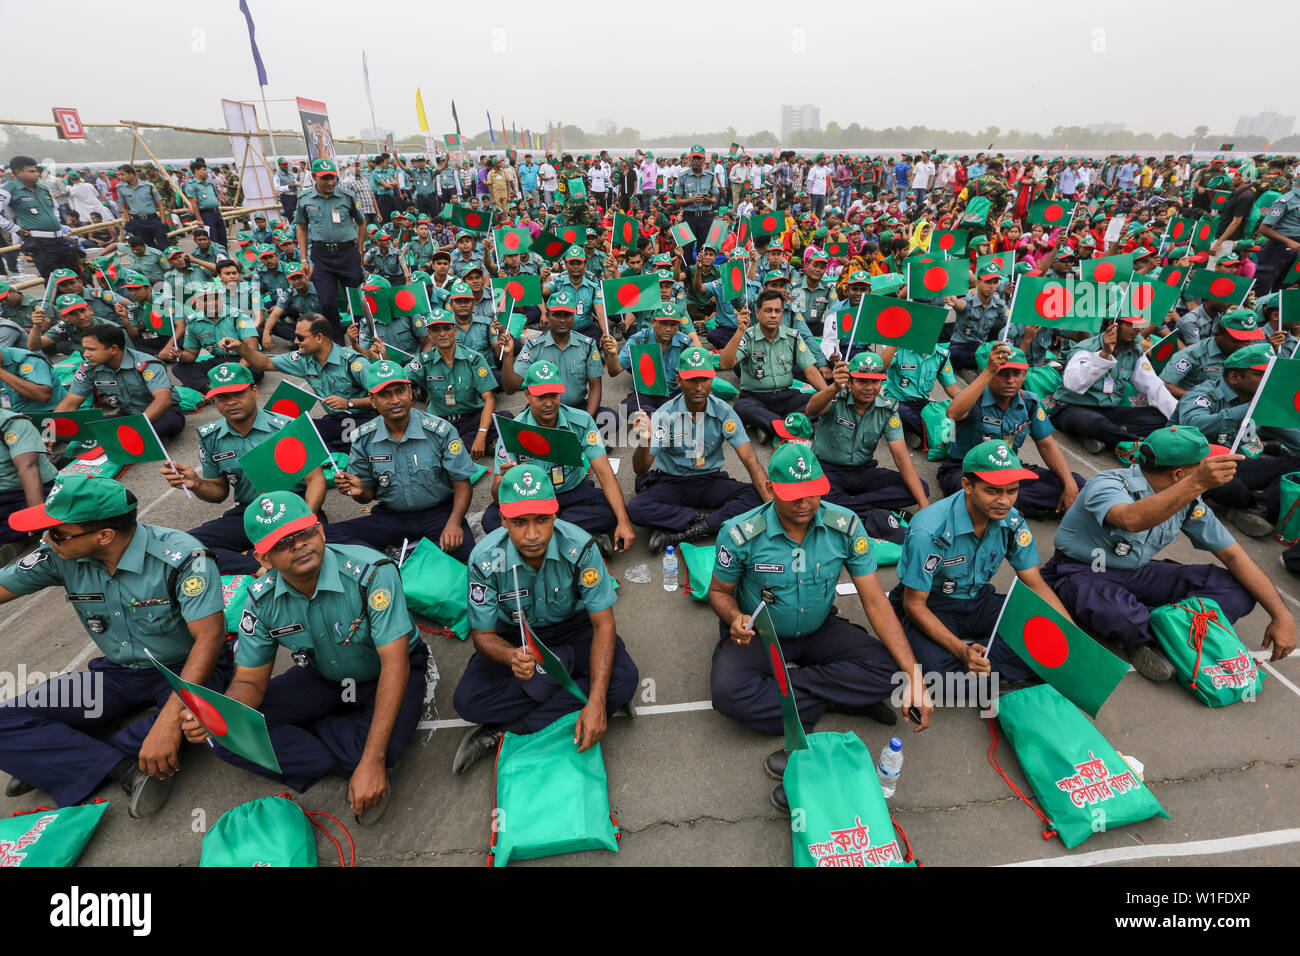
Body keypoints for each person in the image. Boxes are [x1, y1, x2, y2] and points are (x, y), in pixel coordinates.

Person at [707, 444, 933, 811]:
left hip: (818, 627)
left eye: (813, 492)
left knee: (893, 674)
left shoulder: (845, 526)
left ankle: (801, 699)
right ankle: (840, 694)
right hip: (759, 632)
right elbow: (719, 592)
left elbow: (875, 601)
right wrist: (734, 618)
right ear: (771, 488)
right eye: (794, 495)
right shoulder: (741, 533)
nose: (804, 503)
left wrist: (915, 675)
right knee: (728, 694)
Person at [183, 491, 430, 825]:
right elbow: (248, 681)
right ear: (264, 558)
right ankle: (344, 742)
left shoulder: (370, 572)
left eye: (305, 532)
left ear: (321, 532)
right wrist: (219, 714)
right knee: (227, 737)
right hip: (324, 677)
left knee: (376, 753)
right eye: (282, 542)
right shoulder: (261, 600)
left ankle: (340, 747)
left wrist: (372, 759)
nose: (298, 544)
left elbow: (395, 663)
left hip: (384, 672)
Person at [0, 476, 229, 816]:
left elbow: (209, 639)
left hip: (188, 668)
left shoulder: (182, 557)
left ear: (104, 535)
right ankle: (123, 768)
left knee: (192, 723)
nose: (46, 539)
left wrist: (167, 723)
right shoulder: (59, 554)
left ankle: (61, 758)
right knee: (5, 721)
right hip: (119, 674)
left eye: (58, 532)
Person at [1042, 425, 1295, 680]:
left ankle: (1159, 631)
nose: (1208, 472)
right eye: (1201, 467)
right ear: (1178, 474)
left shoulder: (1188, 501)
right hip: (1083, 571)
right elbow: (1130, 519)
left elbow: (1233, 555)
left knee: (1237, 591)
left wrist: (1282, 615)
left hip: (1136, 572)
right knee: (1117, 613)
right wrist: (1197, 483)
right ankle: (1167, 633)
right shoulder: (1108, 484)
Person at [450, 464, 639, 774]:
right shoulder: (484, 559)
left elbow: (603, 625)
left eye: (542, 520)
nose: (533, 535)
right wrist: (510, 655)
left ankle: (507, 730)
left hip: (573, 630)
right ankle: (576, 693)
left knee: (624, 680)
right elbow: (483, 636)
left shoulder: (581, 547)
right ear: (503, 520)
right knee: (468, 701)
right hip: (515, 636)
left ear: (555, 515)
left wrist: (597, 698)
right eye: (520, 522)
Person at [891, 439, 1072, 692]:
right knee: (938, 678)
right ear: (967, 485)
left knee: (1054, 638)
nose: (1005, 501)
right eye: (993, 491)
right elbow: (914, 605)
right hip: (934, 604)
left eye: (1012, 490)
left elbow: (1033, 582)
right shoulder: (930, 531)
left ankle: (982, 668)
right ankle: (990, 665)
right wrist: (962, 650)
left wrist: (1070, 633)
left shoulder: (1012, 521)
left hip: (977, 601)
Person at [161, 363, 327, 575]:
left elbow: (316, 479)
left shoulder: (287, 427)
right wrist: (197, 484)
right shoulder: (211, 437)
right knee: (185, 547)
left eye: (238, 393)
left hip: (295, 508)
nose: (231, 402)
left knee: (319, 551)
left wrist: (305, 521)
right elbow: (219, 492)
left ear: (254, 391)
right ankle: (256, 564)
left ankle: (265, 554)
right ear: (214, 400)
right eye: (222, 397)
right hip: (250, 512)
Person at [329, 360, 476, 563]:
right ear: (372, 400)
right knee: (329, 537)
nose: (395, 400)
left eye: (400, 391)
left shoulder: (440, 431)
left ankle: (400, 556)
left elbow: (462, 484)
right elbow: (367, 495)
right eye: (385, 395)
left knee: (469, 557)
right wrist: (360, 491)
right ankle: (389, 561)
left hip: (438, 514)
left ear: (410, 391)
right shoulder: (363, 438)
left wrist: (454, 523)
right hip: (392, 517)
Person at [484, 361, 634, 557]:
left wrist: (624, 522)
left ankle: (544, 536)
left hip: (571, 492)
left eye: (553, 395)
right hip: (531, 499)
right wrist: (504, 480)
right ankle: (581, 537)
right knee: (491, 521)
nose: (548, 403)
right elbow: (497, 497)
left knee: (614, 511)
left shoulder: (581, 421)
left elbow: (606, 475)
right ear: (528, 396)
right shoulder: (511, 431)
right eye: (540, 396)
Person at [628, 346, 768, 554]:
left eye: (704, 379)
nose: (699, 387)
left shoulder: (724, 411)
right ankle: (707, 519)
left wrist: (770, 504)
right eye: (692, 380)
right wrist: (645, 441)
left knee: (760, 496)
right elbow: (640, 469)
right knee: (636, 509)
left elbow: (750, 460)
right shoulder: (664, 415)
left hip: (710, 480)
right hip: (673, 482)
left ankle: (685, 531)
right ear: (679, 380)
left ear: (712, 379)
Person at [1170, 342, 1300, 537]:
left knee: (1296, 464)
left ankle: (1259, 509)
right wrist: (1244, 411)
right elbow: (1192, 423)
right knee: (1231, 487)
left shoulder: (1258, 401)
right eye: (1261, 375)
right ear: (1234, 377)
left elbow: (1291, 434)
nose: (1268, 380)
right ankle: (1243, 506)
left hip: (1232, 464)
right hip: (1192, 465)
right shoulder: (1205, 394)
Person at [943, 343, 1083, 518]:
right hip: (969, 470)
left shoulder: (1029, 403)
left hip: (1008, 469)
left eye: (1016, 374)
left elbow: (1046, 445)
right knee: (970, 494)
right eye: (1002, 373)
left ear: (1024, 375)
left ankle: (1011, 506)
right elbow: (953, 413)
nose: (1010, 380)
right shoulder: (974, 397)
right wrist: (988, 372)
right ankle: (1014, 508)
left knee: (1078, 485)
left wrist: (1069, 485)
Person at [806, 352, 930, 542]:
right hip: (827, 470)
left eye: (875, 381)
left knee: (921, 489)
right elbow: (811, 409)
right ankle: (874, 510)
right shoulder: (835, 397)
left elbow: (902, 459)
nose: (869, 388)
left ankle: (849, 508)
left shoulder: (887, 409)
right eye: (863, 381)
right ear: (850, 381)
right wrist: (833, 388)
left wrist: (924, 506)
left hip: (863, 472)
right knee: (810, 495)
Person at [222, 315, 373, 451]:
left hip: (364, 419)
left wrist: (349, 403)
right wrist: (241, 348)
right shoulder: (303, 359)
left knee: (333, 447)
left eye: (300, 338)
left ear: (319, 337)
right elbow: (266, 363)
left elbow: (382, 399)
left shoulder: (353, 363)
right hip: (337, 421)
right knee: (294, 435)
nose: (295, 342)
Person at [1049, 316, 1174, 452]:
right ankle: (1138, 443)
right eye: (1131, 324)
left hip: (1108, 412)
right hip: (1073, 408)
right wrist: (1104, 355)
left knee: (1160, 416)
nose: (1138, 329)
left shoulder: (1135, 352)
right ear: (1112, 324)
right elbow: (1073, 384)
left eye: (1139, 324)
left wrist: (1180, 418)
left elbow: (1154, 387)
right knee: (1092, 422)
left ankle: (1109, 437)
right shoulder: (1085, 348)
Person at [720, 290, 828, 438]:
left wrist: (828, 395)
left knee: (822, 405)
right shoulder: (747, 336)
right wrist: (739, 331)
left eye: (777, 311)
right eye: (768, 310)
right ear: (757, 313)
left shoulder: (792, 336)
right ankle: (791, 424)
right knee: (741, 407)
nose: (773, 315)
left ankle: (768, 425)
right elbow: (725, 364)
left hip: (786, 396)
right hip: (755, 397)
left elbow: (810, 370)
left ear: (782, 313)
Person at [53, 322, 185, 439]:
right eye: (85, 348)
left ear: (114, 349)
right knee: (87, 429)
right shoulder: (89, 368)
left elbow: (163, 400)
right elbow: (70, 403)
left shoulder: (146, 364)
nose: (85, 354)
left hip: (162, 414)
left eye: (91, 349)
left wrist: (138, 427)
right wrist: (51, 432)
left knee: (146, 431)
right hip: (127, 415)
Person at [405, 307, 499, 450]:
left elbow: (489, 398)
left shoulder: (473, 359)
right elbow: (398, 378)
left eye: (446, 328)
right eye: (436, 330)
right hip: (439, 422)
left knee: (504, 417)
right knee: (414, 429)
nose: (442, 334)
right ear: (429, 333)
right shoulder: (424, 361)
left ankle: (456, 445)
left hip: (471, 418)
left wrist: (481, 435)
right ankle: (467, 444)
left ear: (455, 330)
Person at [294, 158, 367, 341]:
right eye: (325, 178)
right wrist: (303, 259)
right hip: (322, 256)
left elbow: (362, 222)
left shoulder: (347, 196)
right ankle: (337, 343)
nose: (330, 182)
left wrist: (359, 250)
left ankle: (363, 338)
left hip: (347, 254)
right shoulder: (305, 199)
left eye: (333, 178)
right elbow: (301, 227)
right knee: (327, 302)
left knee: (357, 300)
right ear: (314, 177)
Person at [0, 156, 81, 278]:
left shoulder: (43, 188)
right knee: (54, 281)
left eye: (37, 170)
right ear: (18, 172)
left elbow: (55, 208)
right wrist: (15, 229)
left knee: (74, 276)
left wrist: (57, 224)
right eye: (31, 171)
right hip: (40, 242)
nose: (36, 173)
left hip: (59, 239)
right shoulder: (8, 190)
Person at [0, 406, 57, 553]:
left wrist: (36, 518)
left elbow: (28, 468)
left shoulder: (12, 423)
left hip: (24, 492)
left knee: (27, 522)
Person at [115, 164, 168, 249]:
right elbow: (124, 207)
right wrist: (129, 221)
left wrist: (162, 222)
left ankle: (168, 262)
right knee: (148, 248)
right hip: (137, 222)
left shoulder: (149, 186)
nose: (120, 177)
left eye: (122, 174)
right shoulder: (121, 188)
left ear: (132, 174)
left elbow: (160, 205)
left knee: (164, 245)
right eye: (119, 175)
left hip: (152, 220)